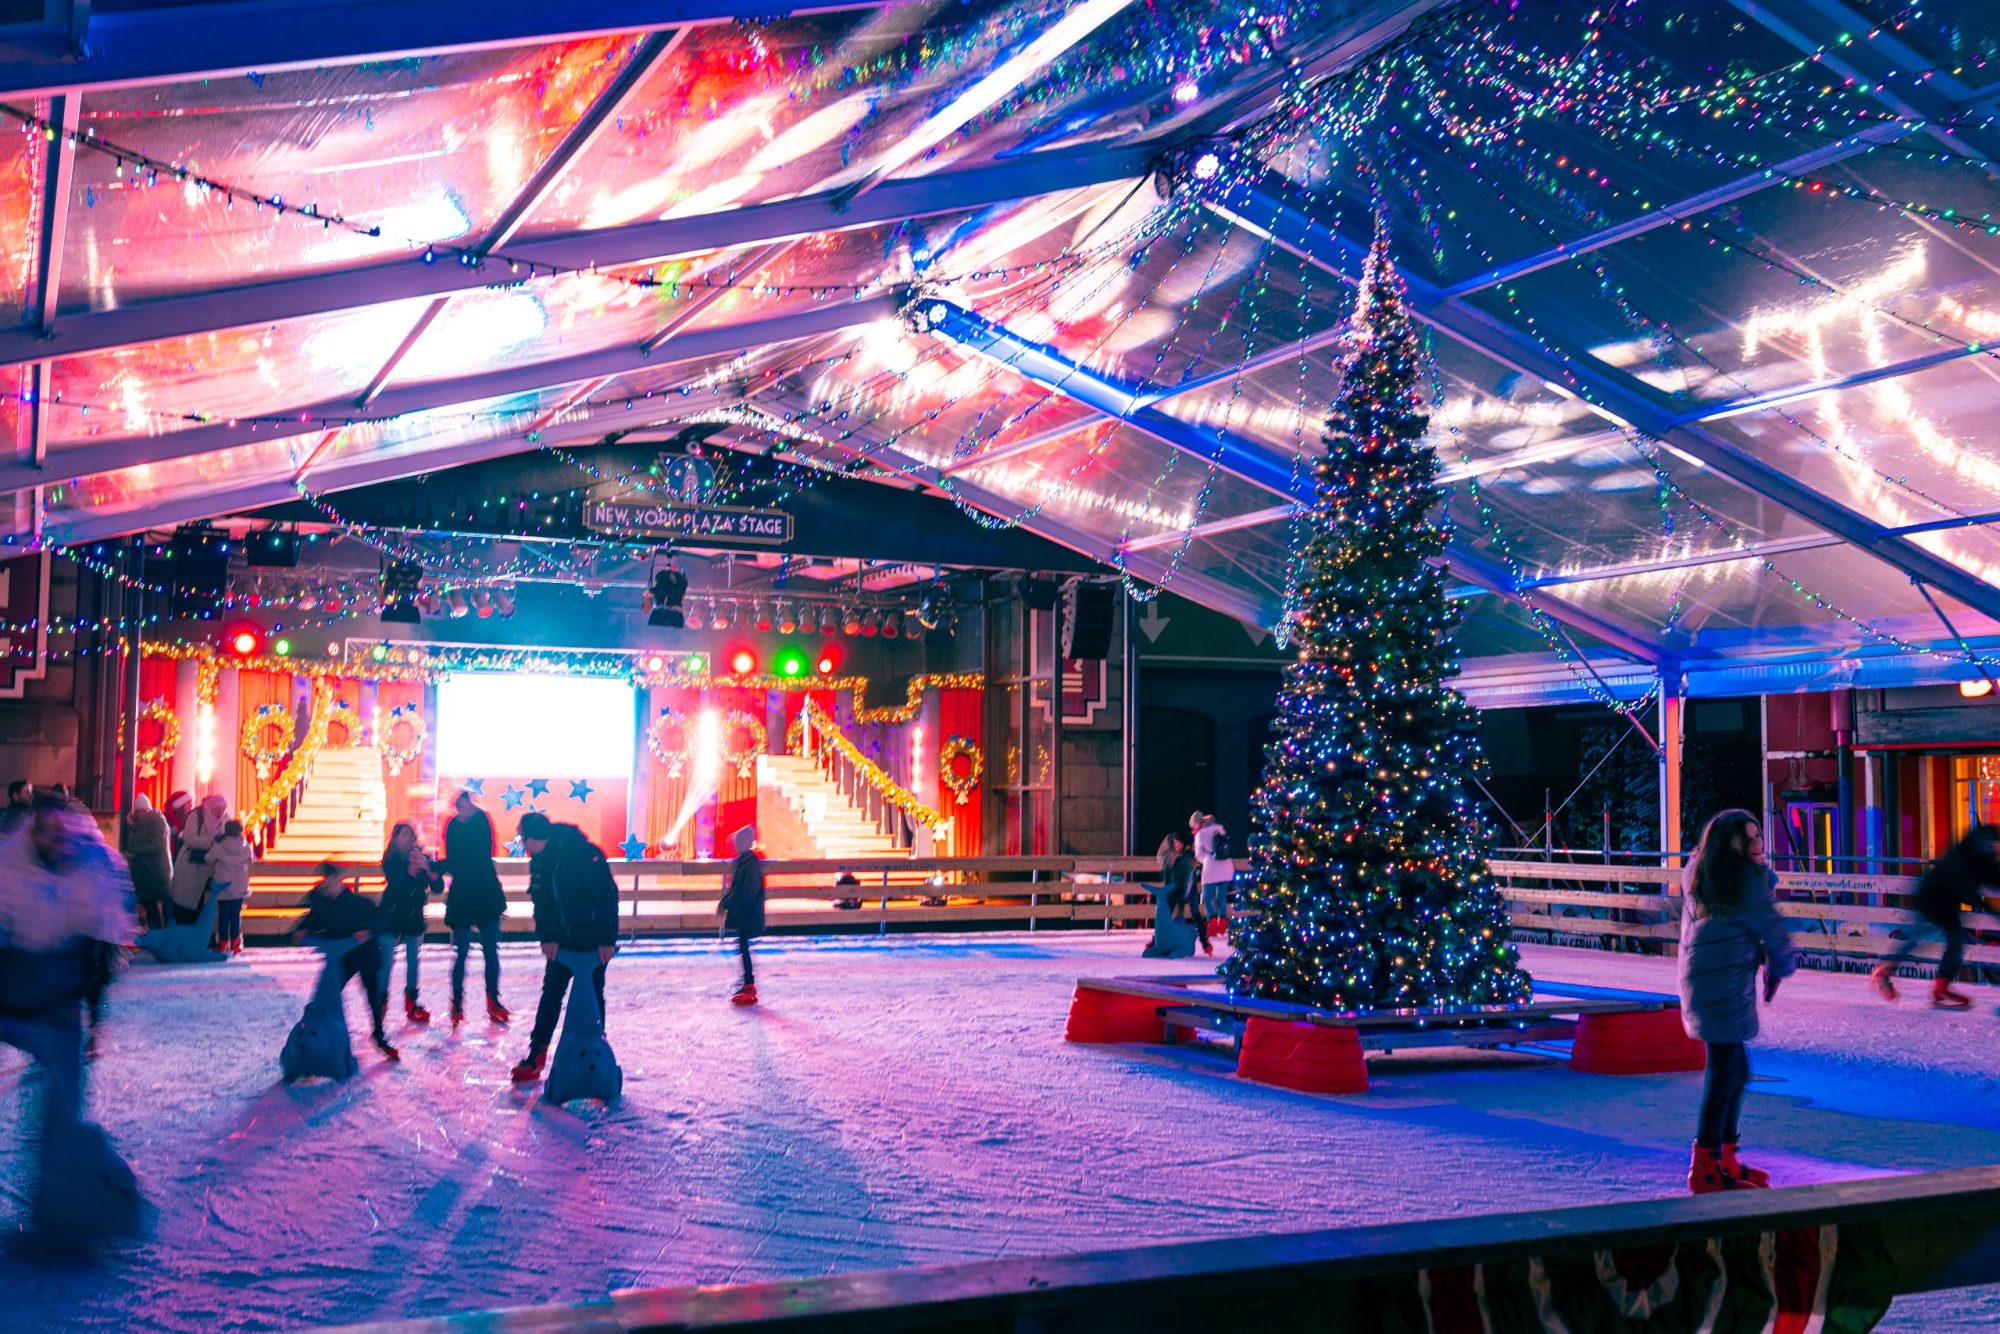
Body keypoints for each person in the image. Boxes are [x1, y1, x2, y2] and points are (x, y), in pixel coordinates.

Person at [0, 793, 143, 1246]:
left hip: (59, 998)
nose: (53, 841)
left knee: (63, 1103)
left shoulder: (94, 873)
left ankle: (69, 1207)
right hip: (14, 988)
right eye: (44, 831)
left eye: (60, 833)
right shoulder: (9, 868)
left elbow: (100, 954)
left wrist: (95, 1020)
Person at [1678, 809, 1795, 1193]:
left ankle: (1724, 1158)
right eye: (1747, 838)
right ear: (1727, 846)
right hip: (1721, 987)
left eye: (1757, 835)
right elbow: (1776, 934)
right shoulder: (1743, 884)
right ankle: (1706, 1167)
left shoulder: (1708, 875)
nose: (1757, 843)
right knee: (1724, 1074)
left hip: (1710, 983)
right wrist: (1779, 966)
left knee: (1735, 1071)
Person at [510, 811, 619, 1082]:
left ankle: (595, 1055)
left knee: (592, 997)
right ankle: (537, 1054)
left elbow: (606, 897)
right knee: (551, 996)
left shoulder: (584, 853)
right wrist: (547, 937)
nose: (523, 845)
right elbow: (541, 902)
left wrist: (607, 940)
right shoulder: (539, 861)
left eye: (523, 839)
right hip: (561, 944)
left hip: (592, 943)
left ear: (533, 839)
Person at [1872, 825, 2000, 1010]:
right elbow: (1965, 888)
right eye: (1990, 844)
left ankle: (1940, 986)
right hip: (1931, 900)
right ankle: (1888, 970)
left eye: (1994, 844)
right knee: (1923, 939)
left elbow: (1992, 877)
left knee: (1951, 942)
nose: (1993, 847)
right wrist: (1991, 910)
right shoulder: (1961, 856)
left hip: (1945, 903)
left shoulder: (1980, 857)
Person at [290, 861, 397, 1061]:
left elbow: (381, 919)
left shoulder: (360, 903)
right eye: (325, 880)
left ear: (339, 879)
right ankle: (314, 1036)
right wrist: (301, 930)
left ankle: (379, 1035)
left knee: (372, 996)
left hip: (364, 954)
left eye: (331, 879)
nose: (327, 884)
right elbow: (311, 921)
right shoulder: (321, 904)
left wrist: (367, 931)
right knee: (327, 994)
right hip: (341, 958)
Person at [443, 790, 508, 1027]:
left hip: (484, 894)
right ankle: (457, 1001)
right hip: (465, 897)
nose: (464, 810)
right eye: (460, 806)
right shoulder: (454, 826)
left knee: (490, 951)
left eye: (467, 806)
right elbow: (455, 860)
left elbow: (478, 856)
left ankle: (492, 999)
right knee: (462, 951)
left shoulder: (481, 822)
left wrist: (450, 864)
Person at [377, 822, 442, 1024]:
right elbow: (397, 883)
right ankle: (380, 1002)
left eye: (410, 835)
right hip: (392, 915)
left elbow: (437, 886)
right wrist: (412, 870)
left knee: (413, 961)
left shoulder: (422, 857)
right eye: (403, 835)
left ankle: (411, 1001)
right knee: (386, 961)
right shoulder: (391, 859)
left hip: (414, 916)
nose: (407, 839)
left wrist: (428, 869)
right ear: (395, 839)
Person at [719, 825, 765, 1006]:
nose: (735, 844)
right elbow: (735, 889)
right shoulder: (744, 862)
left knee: (744, 948)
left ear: (746, 843)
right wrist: (724, 902)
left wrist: (728, 904)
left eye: (738, 841)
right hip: (745, 915)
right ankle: (747, 982)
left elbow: (747, 893)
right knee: (743, 948)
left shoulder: (750, 865)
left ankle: (749, 984)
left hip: (749, 915)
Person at [169, 793, 228, 926]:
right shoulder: (196, 816)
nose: (220, 813)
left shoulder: (224, 818)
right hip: (192, 865)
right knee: (187, 905)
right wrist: (212, 841)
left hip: (211, 868)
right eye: (217, 810)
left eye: (222, 810)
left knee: (204, 907)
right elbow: (189, 839)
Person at [1144, 830, 1201, 959]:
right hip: (1177, 891)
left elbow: (1186, 877)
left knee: (1182, 914)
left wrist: (1182, 892)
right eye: (1174, 843)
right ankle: (1160, 941)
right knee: (1167, 915)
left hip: (1182, 891)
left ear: (1183, 843)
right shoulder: (1177, 857)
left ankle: (1200, 940)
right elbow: (1168, 876)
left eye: (1178, 842)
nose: (1176, 845)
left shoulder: (1186, 857)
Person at [123, 793, 173, 932]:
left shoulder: (157, 823)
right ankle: (155, 932)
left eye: (143, 810)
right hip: (143, 871)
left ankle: (162, 933)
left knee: (160, 903)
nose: (140, 814)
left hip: (156, 870)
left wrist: (131, 852)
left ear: (149, 810)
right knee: (149, 903)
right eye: (137, 811)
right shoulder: (135, 826)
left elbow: (152, 844)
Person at [208, 819, 254, 956]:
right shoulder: (245, 845)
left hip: (224, 886)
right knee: (235, 915)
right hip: (239, 886)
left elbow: (208, 858)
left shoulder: (220, 845)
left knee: (223, 915)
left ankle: (222, 943)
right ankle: (235, 943)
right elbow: (251, 861)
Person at [1191, 811, 1235, 936]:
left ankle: (1211, 925)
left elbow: (1199, 855)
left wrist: (1207, 859)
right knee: (1221, 896)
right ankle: (1222, 925)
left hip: (1211, 868)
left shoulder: (1200, 834)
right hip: (1227, 867)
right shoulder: (1220, 828)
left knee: (1208, 896)